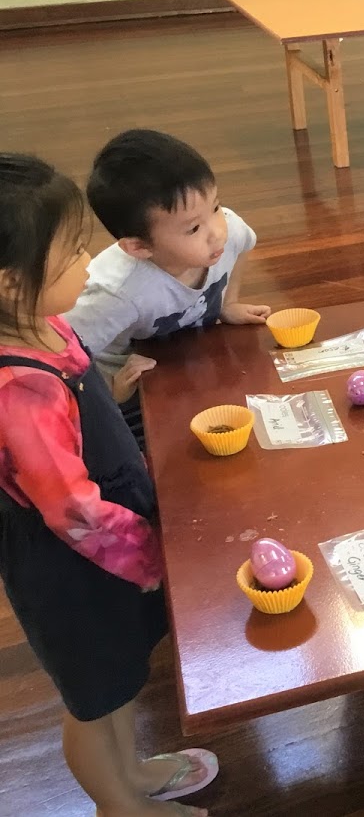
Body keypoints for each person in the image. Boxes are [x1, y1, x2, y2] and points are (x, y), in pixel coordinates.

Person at [0, 154, 215, 815]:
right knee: (95, 699)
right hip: (78, 568)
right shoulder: (19, 387)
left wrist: (111, 395)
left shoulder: (43, 326)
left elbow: (77, 413)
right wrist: (146, 557)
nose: (89, 262)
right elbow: (72, 511)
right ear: (11, 281)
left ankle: (131, 774)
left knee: (121, 679)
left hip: (109, 548)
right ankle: (118, 805)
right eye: (70, 253)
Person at [65, 129, 269, 448]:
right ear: (139, 247)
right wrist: (112, 390)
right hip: (126, 390)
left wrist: (229, 303)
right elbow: (62, 355)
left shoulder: (228, 231)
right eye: (194, 228)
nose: (217, 231)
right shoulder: (114, 291)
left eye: (215, 207)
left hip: (183, 361)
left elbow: (242, 244)